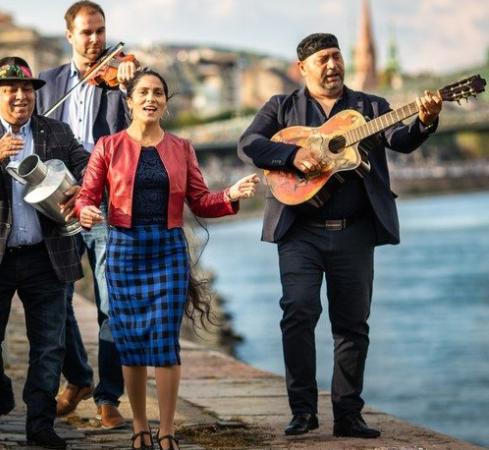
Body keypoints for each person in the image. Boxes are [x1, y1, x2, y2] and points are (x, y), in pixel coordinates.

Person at [237, 33, 442, 438]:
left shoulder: (370, 107)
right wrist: (293, 155)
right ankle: (303, 412)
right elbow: (249, 144)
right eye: (322, 59)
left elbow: (399, 141)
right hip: (299, 232)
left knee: (352, 325)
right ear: (303, 68)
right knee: (298, 313)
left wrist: (426, 119)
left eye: (336, 56)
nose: (332, 65)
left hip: (355, 233)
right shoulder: (281, 108)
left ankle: (348, 415)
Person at [76, 69, 259, 450]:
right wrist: (86, 212)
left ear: (165, 102)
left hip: (169, 250)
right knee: (131, 342)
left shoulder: (182, 147)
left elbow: (201, 202)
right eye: (143, 91)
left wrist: (231, 194)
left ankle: (168, 430)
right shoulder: (108, 147)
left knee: (164, 342)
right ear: (129, 102)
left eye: (158, 92)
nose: (151, 98)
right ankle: (140, 427)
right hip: (124, 247)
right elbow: (86, 197)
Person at [0, 56, 90, 449]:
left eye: (26, 88)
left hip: (47, 256)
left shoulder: (56, 132)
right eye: (10, 89)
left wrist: (83, 188)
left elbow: (89, 167)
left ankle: (40, 423)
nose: (19, 96)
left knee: (49, 344)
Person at [35, 0, 137, 427]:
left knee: (110, 302)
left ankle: (108, 396)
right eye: (87, 33)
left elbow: (141, 129)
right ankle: (77, 376)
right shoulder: (47, 85)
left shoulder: (123, 76)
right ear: (69, 36)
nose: (97, 40)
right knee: (54, 297)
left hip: (106, 203)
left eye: (101, 31)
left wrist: (133, 89)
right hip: (59, 203)